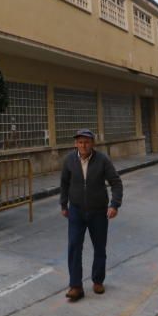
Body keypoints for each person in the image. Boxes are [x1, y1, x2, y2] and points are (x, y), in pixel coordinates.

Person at [59, 128, 123, 302]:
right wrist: (64, 204)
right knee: (74, 247)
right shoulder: (69, 160)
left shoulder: (102, 160)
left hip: (98, 212)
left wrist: (114, 205)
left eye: (86, 142)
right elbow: (64, 183)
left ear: (92, 143)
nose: (83, 145)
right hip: (76, 211)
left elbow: (116, 183)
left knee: (100, 247)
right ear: (75, 144)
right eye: (80, 142)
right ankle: (75, 286)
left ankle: (98, 280)